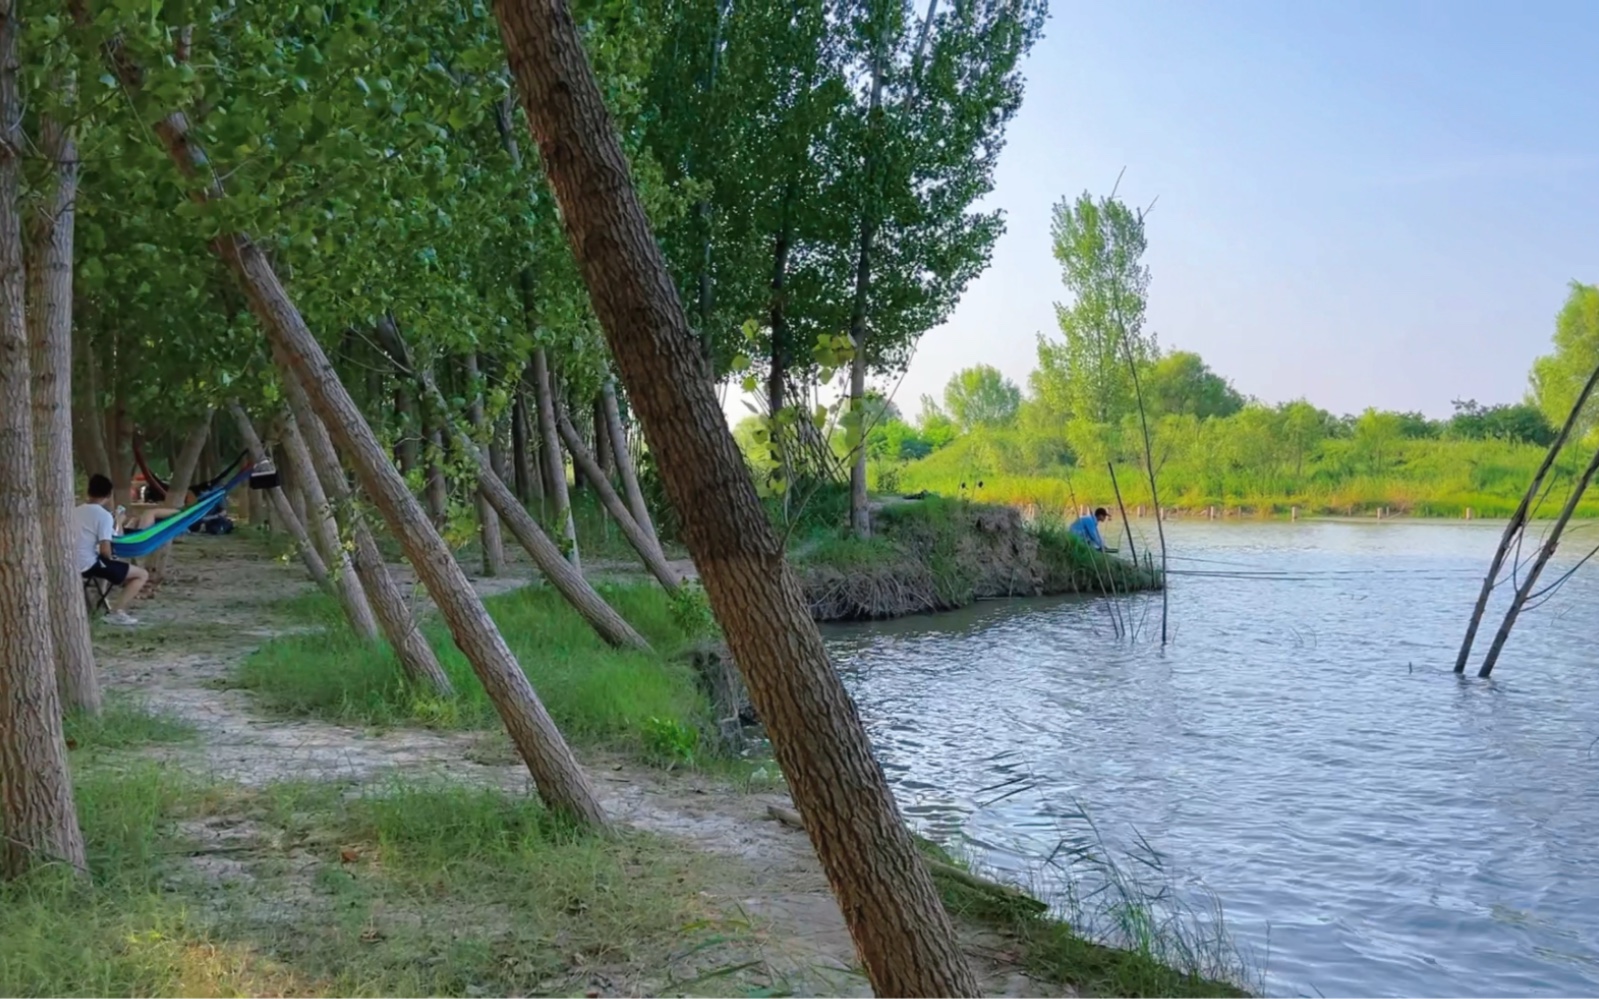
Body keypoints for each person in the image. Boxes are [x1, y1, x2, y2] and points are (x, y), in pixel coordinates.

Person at [76, 473, 149, 626]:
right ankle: (117, 612)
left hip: (71, 561)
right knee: (141, 575)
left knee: (109, 570)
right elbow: (105, 549)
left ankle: (99, 606)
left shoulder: (75, 511)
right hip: (87, 564)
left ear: (88, 492)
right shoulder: (103, 516)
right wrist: (119, 522)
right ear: (109, 495)